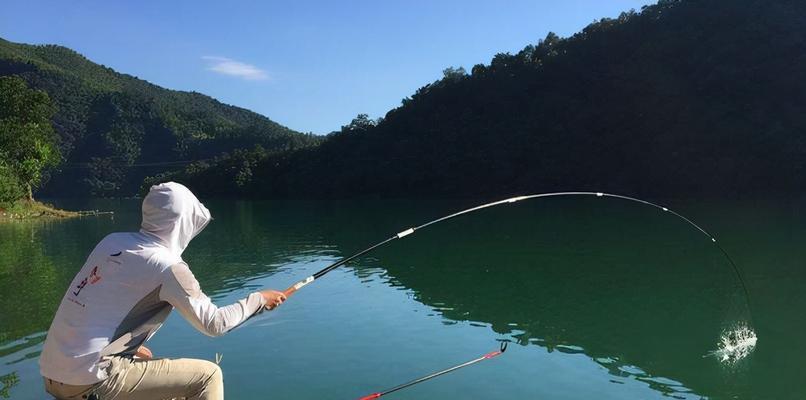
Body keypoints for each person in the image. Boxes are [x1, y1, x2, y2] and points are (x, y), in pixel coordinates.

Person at [39, 182, 287, 400]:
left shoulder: (112, 242)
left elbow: (98, 308)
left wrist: (129, 348)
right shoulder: (169, 267)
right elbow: (214, 324)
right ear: (183, 223)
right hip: (92, 378)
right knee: (209, 376)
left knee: (151, 369)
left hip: (53, 373)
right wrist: (259, 299)